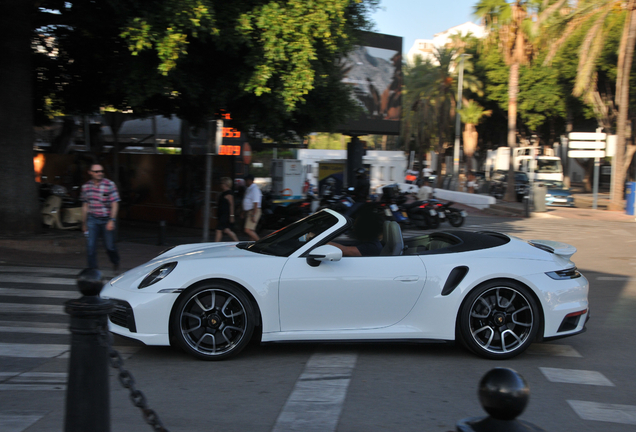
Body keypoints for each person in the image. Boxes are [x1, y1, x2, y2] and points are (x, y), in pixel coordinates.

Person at [81, 163, 120, 271]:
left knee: (109, 247)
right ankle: (93, 271)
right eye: (97, 171)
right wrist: (84, 223)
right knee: (90, 247)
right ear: (90, 173)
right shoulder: (86, 187)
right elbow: (85, 205)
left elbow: (115, 204)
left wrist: (112, 220)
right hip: (92, 219)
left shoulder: (109, 185)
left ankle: (115, 261)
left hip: (106, 219)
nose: (100, 173)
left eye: (101, 171)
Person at [215, 177, 239, 242]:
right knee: (226, 230)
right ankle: (237, 241)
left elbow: (231, 205)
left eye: (222, 183)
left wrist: (231, 216)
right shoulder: (222, 193)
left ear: (226, 184)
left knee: (219, 229)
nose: (221, 184)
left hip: (225, 214)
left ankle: (216, 244)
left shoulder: (229, 193)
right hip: (222, 214)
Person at [242, 174, 262, 241]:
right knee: (250, 230)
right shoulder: (249, 189)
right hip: (250, 211)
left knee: (247, 230)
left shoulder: (254, 189)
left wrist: (253, 214)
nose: (245, 182)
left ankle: (260, 243)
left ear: (249, 181)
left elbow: (256, 202)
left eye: (246, 181)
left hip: (254, 211)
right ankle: (252, 244)